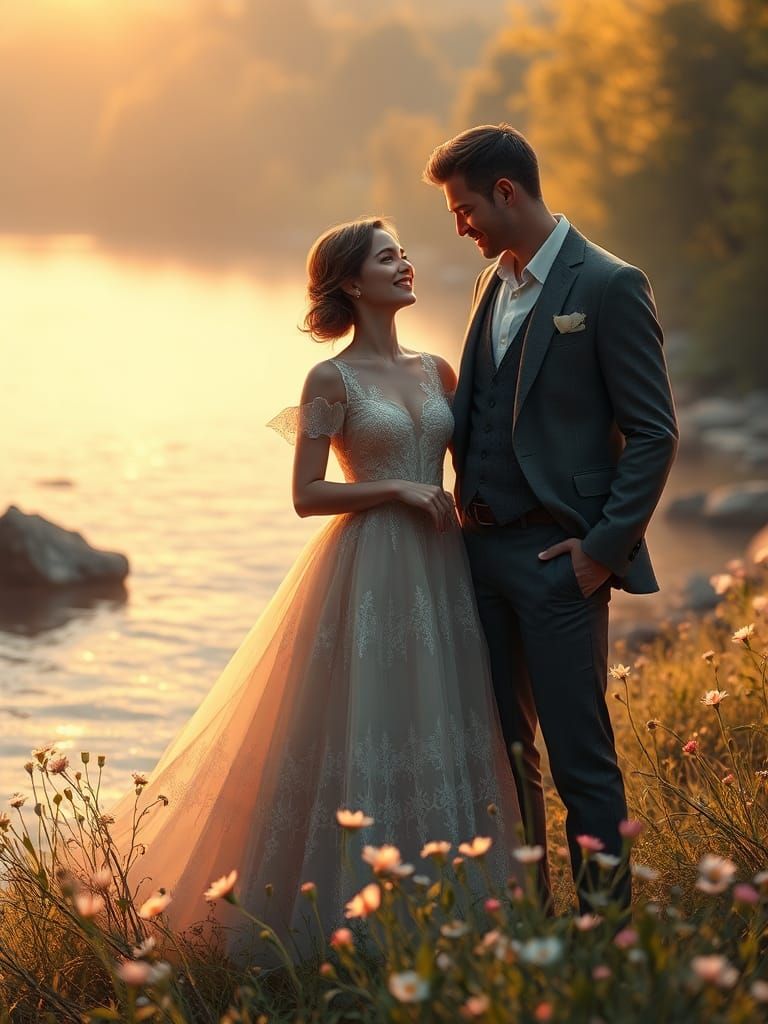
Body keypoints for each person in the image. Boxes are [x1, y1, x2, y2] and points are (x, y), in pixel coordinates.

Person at [104, 216, 522, 962]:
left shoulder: (438, 372)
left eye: (402, 254)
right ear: (351, 283)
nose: (405, 264)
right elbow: (305, 493)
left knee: (438, 721)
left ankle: (455, 917)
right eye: (386, 257)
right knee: (363, 725)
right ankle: (341, 927)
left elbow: (478, 463)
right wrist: (394, 487)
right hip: (369, 568)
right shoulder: (330, 379)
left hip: (441, 570)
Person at [423, 124, 678, 911]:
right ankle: (528, 915)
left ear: (507, 192)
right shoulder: (488, 283)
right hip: (480, 557)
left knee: (581, 759)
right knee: (504, 756)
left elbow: (655, 432)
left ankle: (605, 935)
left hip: (559, 563)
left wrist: (601, 551)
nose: (458, 225)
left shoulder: (608, 284)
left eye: (464, 208)